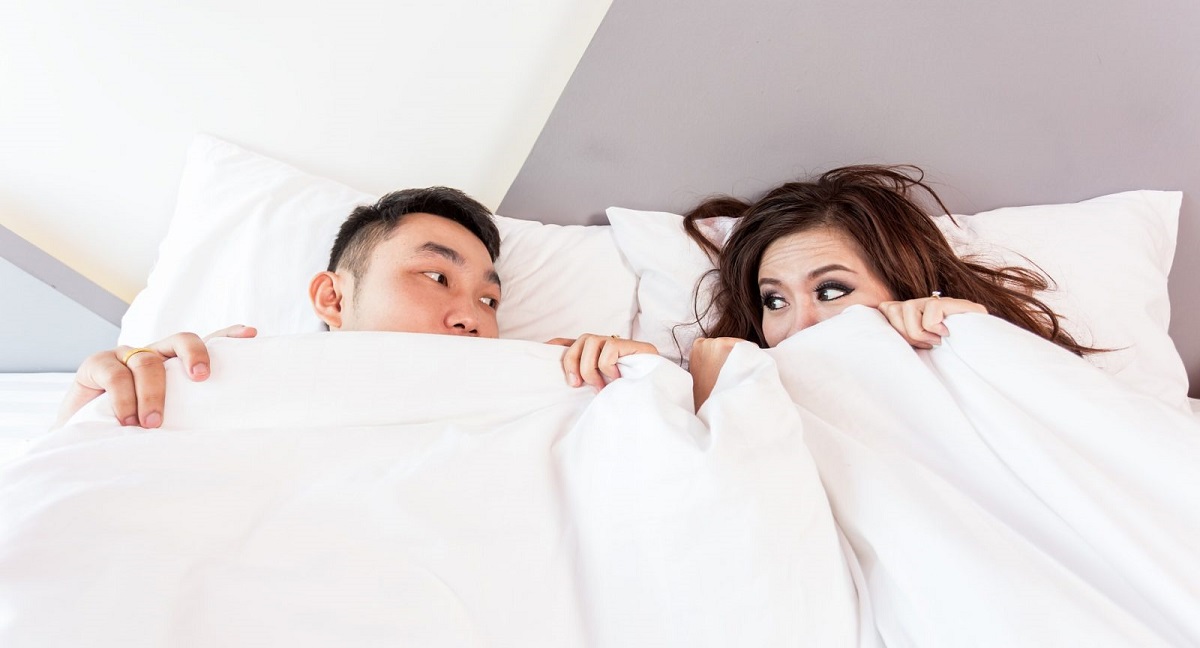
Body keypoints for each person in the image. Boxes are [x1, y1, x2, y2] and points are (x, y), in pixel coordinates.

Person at [58, 187, 656, 428]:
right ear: (333, 298)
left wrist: (636, 383)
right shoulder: (223, 372)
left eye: (489, 299)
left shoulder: (538, 393)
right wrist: (91, 409)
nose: (472, 316)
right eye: (435, 276)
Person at [683, 164, 1101, 408]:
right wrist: (715, 397)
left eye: (830, 291)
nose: (799, 326)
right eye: (775, 300)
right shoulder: (749, 394)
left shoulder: (973, 365)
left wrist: (980, 339)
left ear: (903, 287)